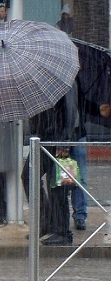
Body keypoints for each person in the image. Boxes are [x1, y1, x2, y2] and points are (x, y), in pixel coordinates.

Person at [22, 81, 81, 246]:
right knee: (29, 177)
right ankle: (47, 223)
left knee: (58, 186)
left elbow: (70, 110)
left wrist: (66, 140)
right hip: (44, 138)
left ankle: (63, 231)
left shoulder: (64, 80)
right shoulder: (40, 82)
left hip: (60, 140)